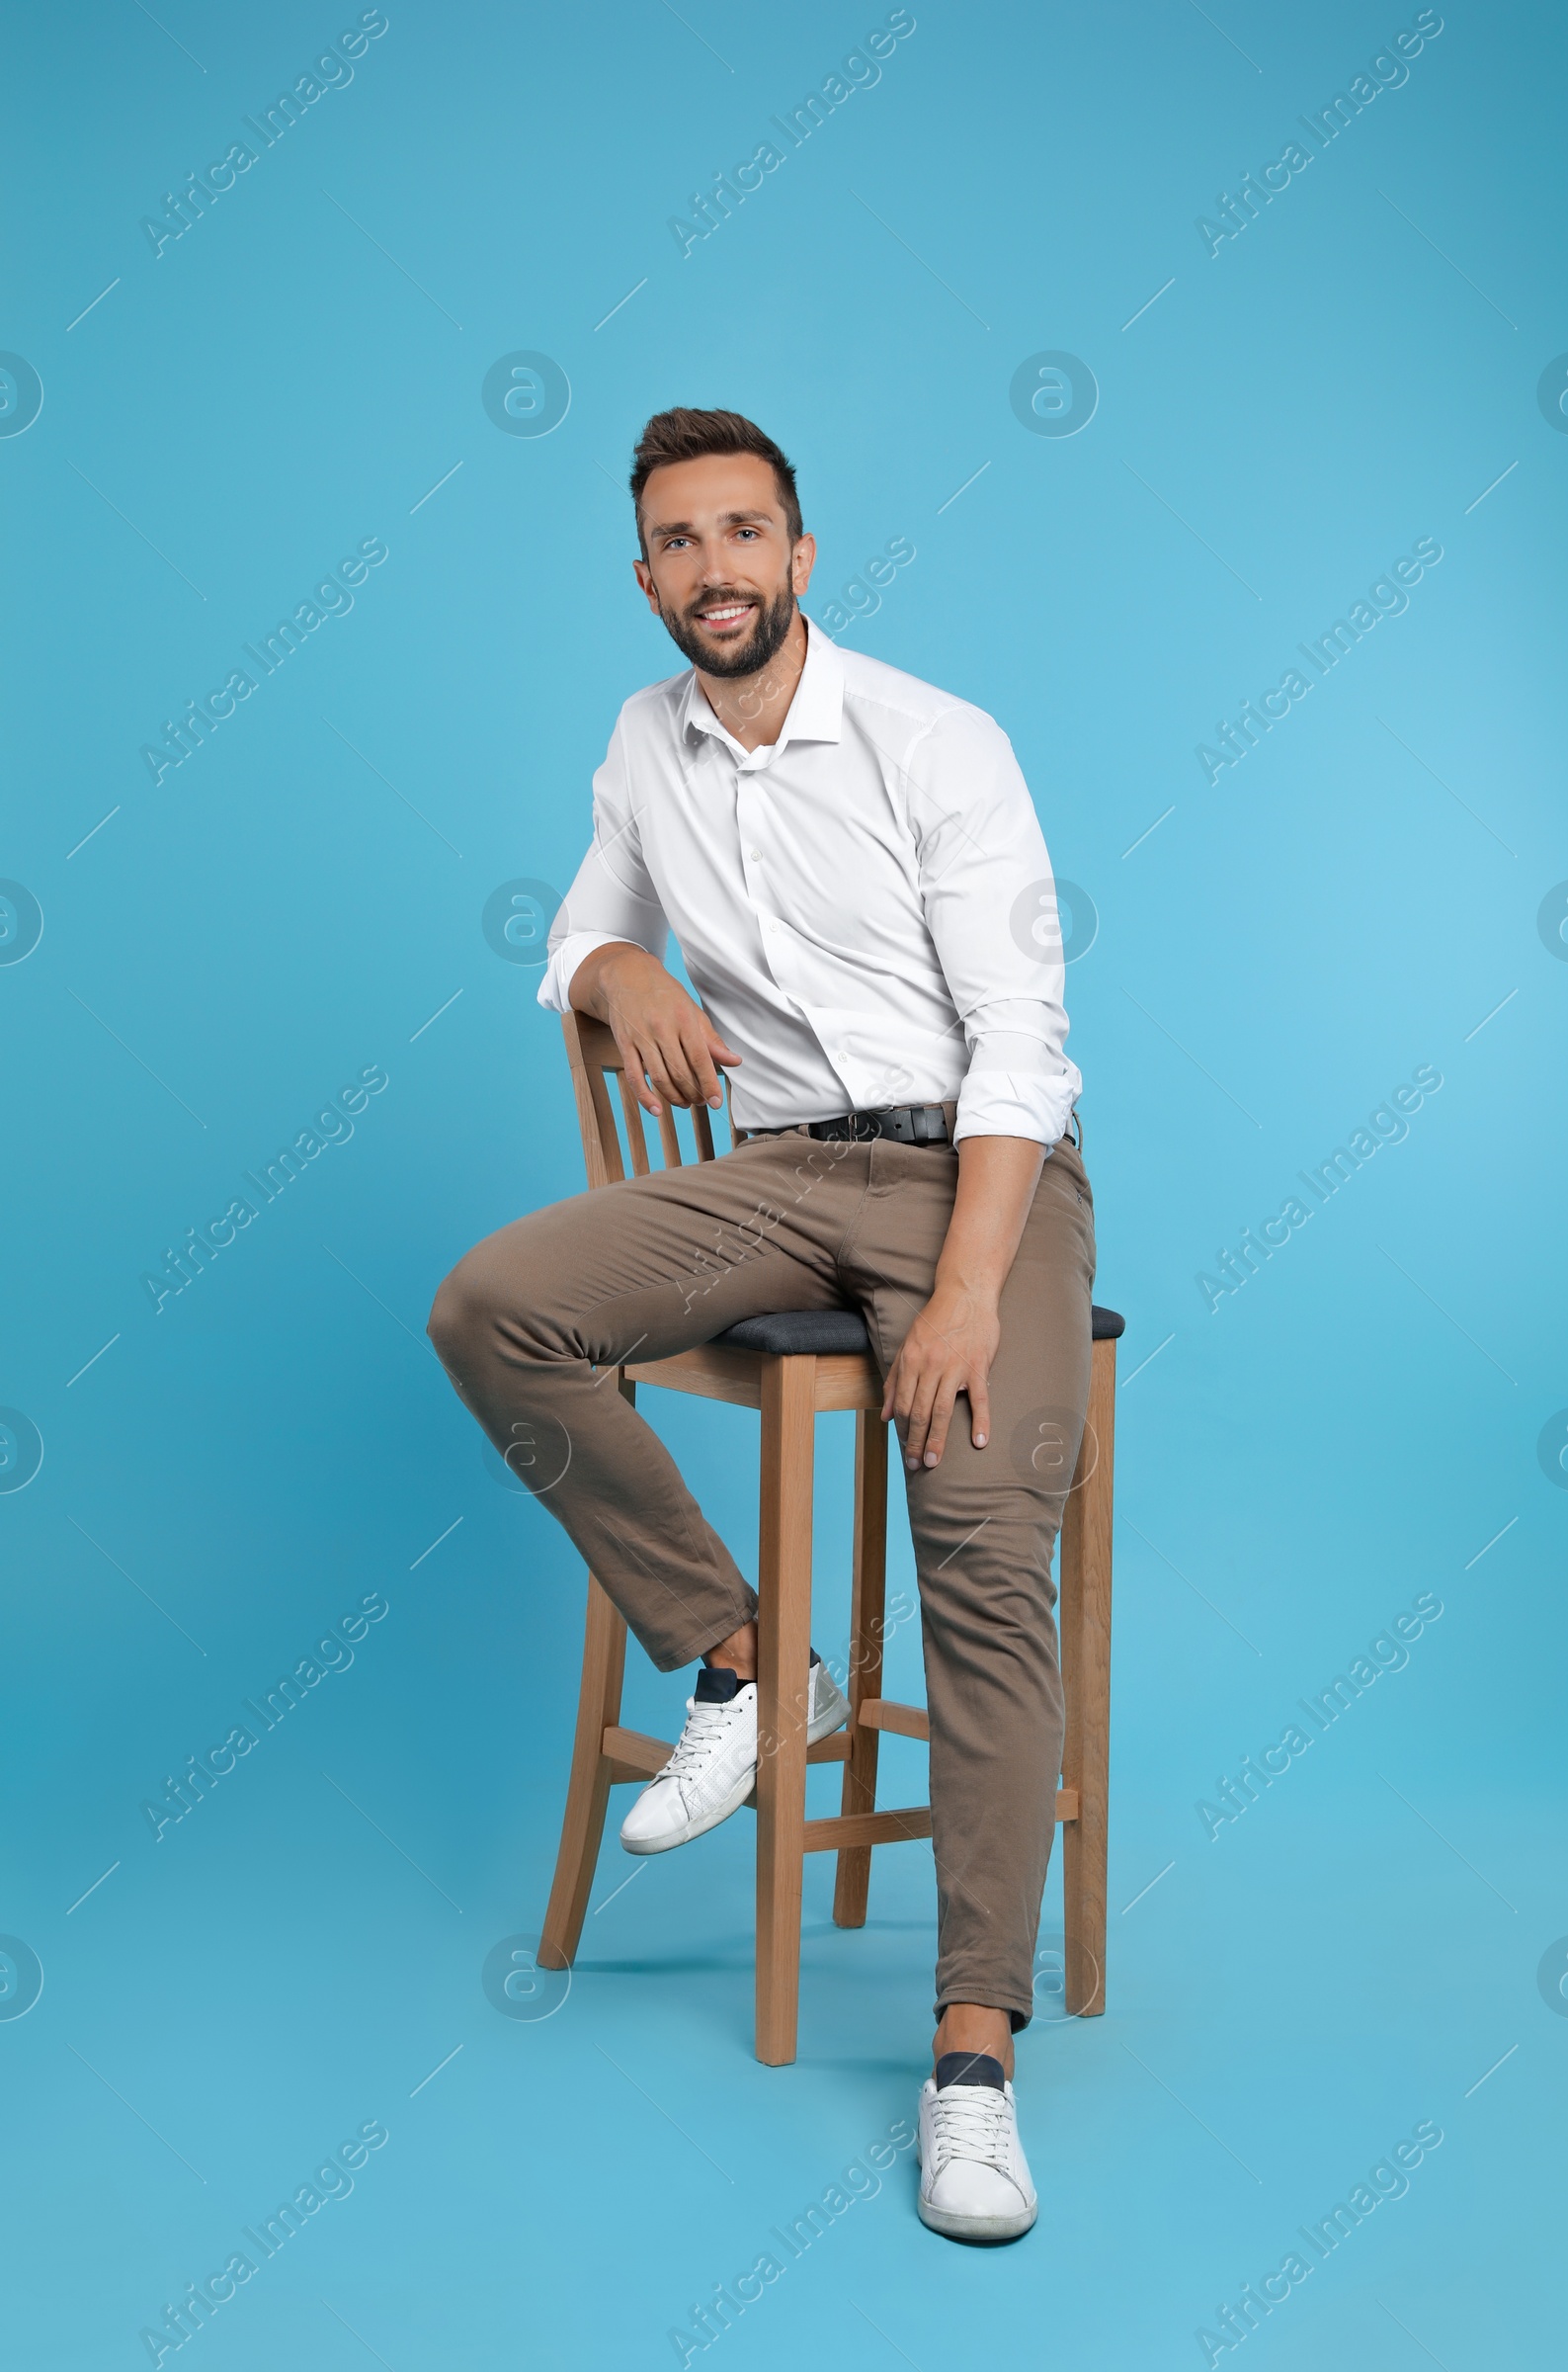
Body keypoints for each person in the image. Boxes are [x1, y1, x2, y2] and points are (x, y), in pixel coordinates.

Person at [429, 406, 1096, 2244]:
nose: (713, 569)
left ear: (803, 553)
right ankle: (746, 1660)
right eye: (677, 543)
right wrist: (611, 960)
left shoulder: (934, 738)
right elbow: (569, 935)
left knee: (977, 1552)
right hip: (784, 1177)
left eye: (745, 533)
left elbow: (1026, 1045)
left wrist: (962, 1297)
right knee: (494, 1307)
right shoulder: (641, 745)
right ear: (641, 577)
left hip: (979, 1180)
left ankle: (973, 2060)